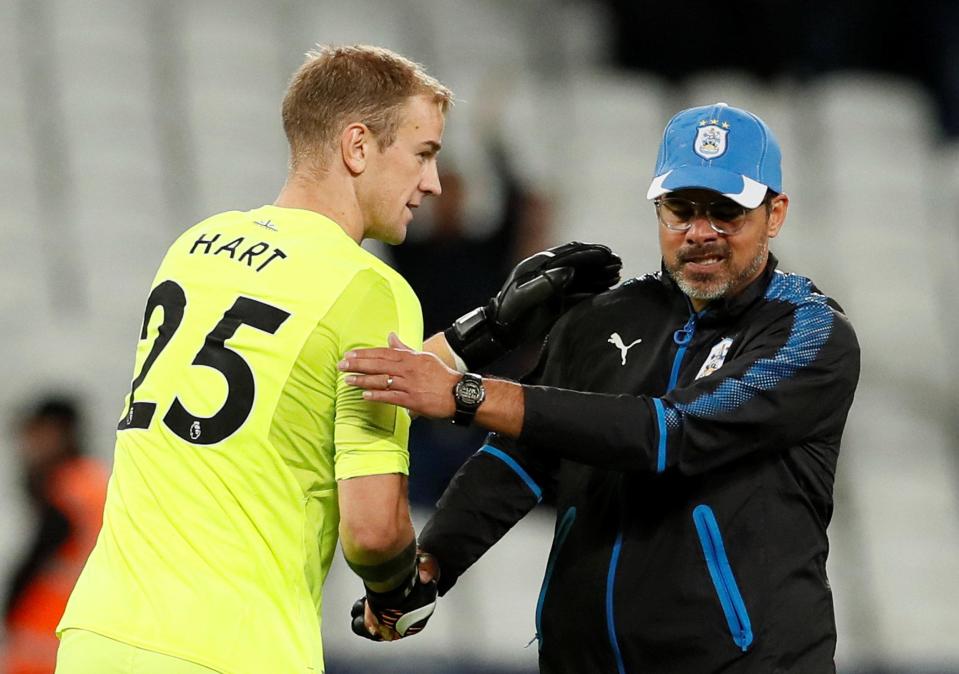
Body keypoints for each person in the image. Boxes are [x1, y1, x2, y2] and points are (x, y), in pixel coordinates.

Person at [340, 103, 862, 672]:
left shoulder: (809, 334)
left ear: (775, 212)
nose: (700, 233)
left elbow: (667, 434)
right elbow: (521, 460)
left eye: (726, 211)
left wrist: (468, 394)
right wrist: (433, 565)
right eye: (680, 210)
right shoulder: (605, 316)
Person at [53, 45, 456, 674]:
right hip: (232, 647)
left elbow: (292, 379)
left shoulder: (194, 245)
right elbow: (373, 531)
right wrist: (398, 590)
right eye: (423, 154)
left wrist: (465, 339)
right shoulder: (370, 288)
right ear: (357, 147)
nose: (432, 182)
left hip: (98, 634)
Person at [2, 397, 107, 674]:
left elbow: (33, 564)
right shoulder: (98, 480)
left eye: (36, 434)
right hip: (85, 641)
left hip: (44, 645)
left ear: (58, 433)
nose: (26, 446)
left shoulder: (66, 492)